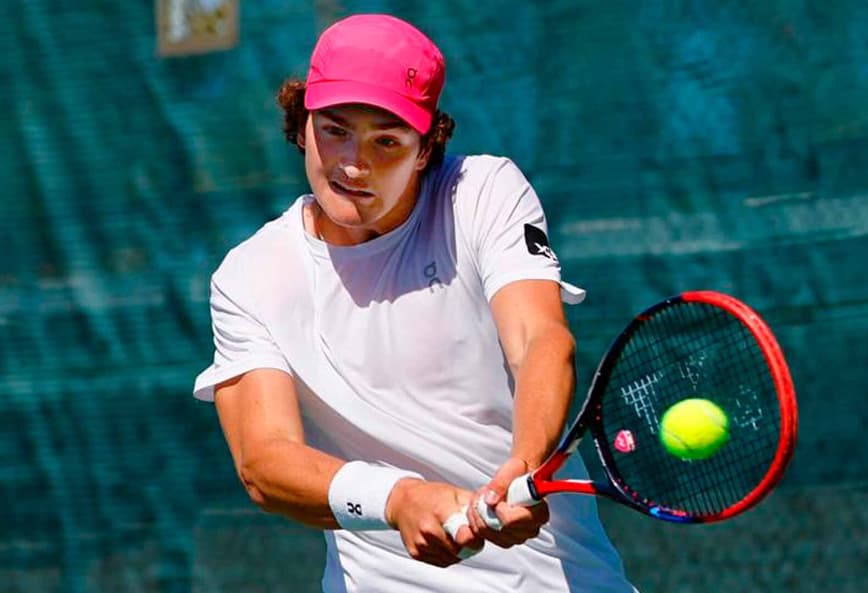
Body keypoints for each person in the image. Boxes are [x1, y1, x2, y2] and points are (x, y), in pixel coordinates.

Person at [193, 13, 636, 593]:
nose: (353, 163)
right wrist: (397, 499)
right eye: (335, 129)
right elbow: (265, 461)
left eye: (386, 140)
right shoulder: (249, 277)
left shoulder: (481, 193)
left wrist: (526, 463)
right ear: (302, 125)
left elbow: (540, 341)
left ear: (425, 149)